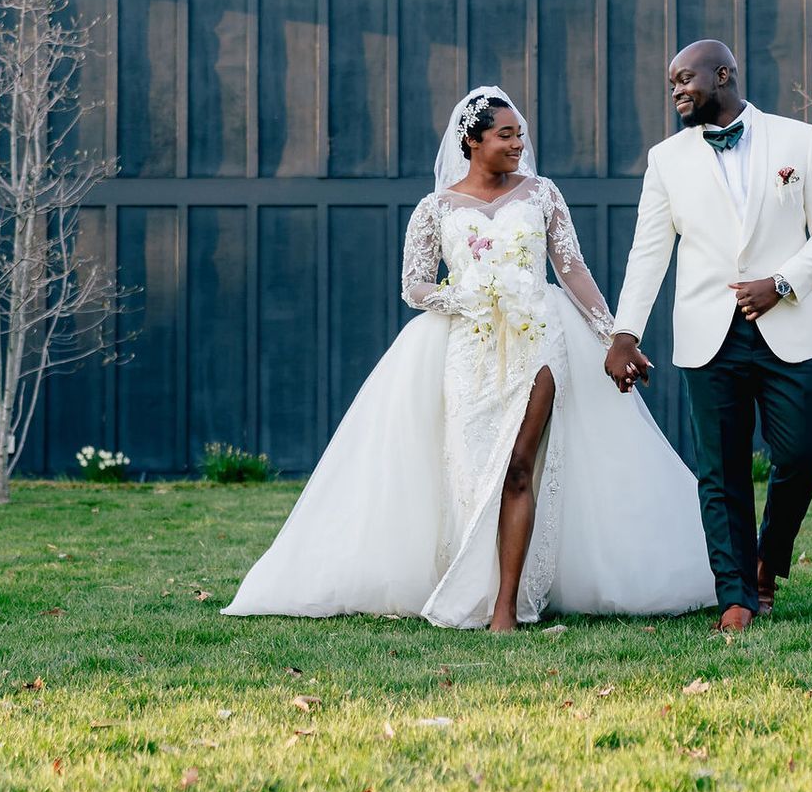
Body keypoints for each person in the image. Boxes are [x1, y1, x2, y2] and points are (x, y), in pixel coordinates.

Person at [226, 87, 714, 629]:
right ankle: (469, 584)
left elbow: (572, 270)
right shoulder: (436, 209)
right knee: (472, 472)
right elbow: (413, 285)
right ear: (471, 141)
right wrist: (464, 297)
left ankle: (506, 604)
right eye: (505, 135)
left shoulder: (542, 195)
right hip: (469, 350)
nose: (517, 143)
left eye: (519, 134)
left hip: (539, 339)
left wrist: (614, 337)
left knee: (519, 468)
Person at [607, 39, 812, 634]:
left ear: (722, 75)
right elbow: (648, 252)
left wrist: (783, 282)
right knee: (722, 471)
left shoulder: (800, 141)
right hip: (707, 336)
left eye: (684, 79)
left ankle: (770, 556)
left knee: (801, 455)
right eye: (671, 83)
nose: (675, 91)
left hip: (790, 325)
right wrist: (623, 333)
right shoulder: (666, 159)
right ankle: (737, 596)